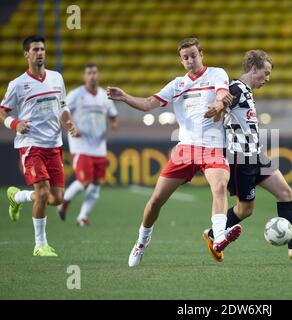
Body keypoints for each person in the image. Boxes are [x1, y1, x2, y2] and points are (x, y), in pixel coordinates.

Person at [107, 37, 241, 267]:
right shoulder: (177, 85)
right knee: (156, 201)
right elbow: (149, 103)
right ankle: (141, 241)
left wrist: (218, 105)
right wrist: (124, 97)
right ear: (181, 60)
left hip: (212, 147)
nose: (190, 60)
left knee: (219, 187)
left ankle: (218, 235)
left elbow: (221, 95)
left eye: (193, 55)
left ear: (202, 54)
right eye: (185, 57)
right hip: (185, 150)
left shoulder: (217, 73)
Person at [203, 50, 292, 262]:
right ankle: (214, 234)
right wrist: (217, 107)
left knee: (285, 192)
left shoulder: (247, 92)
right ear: (253, 68)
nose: (267, 79)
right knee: (245, 209)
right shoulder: (235, 88)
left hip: (256, 155)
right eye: (265, 73)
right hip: (241, 159)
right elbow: (222, 101)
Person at [0, 35, 79, 257]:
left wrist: (69, 122)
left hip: (54, 145)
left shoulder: (56, 78)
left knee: (57, 199)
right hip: (31, 145)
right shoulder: (17, 84)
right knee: (43, 194)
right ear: (27, 54)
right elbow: (2, 111)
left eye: (42, 49)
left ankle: (17, 197)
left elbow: (63, 108)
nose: (40, 53)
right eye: (35, 50)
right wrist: (14, 123)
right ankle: (40, 245)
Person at [56, 63, 119, 226]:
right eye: (89, 73)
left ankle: (82, 216)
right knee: (84, 181)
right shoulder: (75, 95)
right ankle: (64, 201)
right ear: (84, 76)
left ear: (98, 75)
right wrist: (72, 127)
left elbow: (113, 115)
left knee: (97, 183)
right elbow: (61, 111)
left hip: (99, 146)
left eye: (94, 73)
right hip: (81, 145)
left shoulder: (105, 96)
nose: (92, 76)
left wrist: (114, 123)